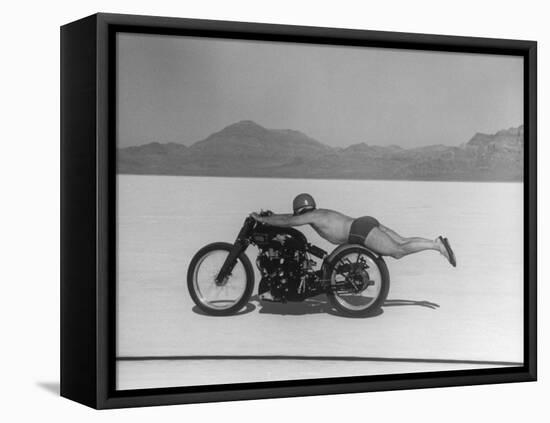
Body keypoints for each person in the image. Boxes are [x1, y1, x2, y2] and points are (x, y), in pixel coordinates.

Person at [250, 193, 456, 267]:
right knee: (402, 241)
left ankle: (436, 245)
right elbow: (287, 218)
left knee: (398, 251)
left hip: (358, 231)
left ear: (299, 209)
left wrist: (263, 219)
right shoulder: (319, 213)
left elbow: (288, 221)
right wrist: (270, 217)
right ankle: (434, 241)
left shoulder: (311, 216)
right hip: (364, 223)